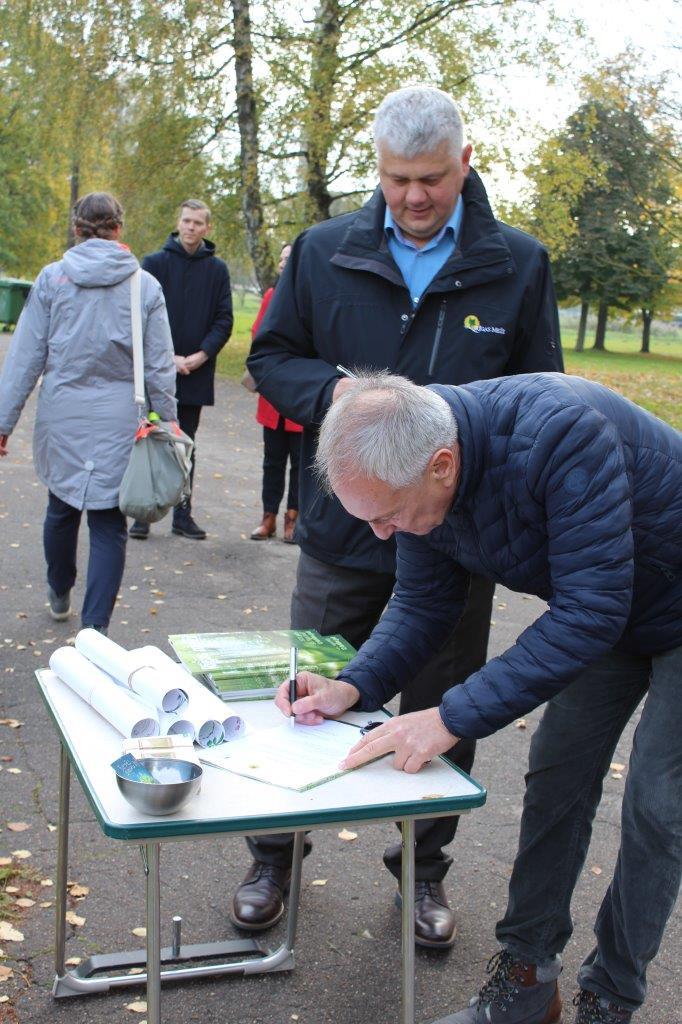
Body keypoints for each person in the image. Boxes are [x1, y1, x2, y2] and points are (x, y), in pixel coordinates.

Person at [241, 85, 564, 946]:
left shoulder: (519, 264)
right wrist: (337, 394)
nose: (413, 197)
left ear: (466, 160)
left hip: (461, 541)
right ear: (376, 170)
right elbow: (270, 358)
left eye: (429, 178)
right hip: (344, 533)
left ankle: (422, 874)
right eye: (395, 180)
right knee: (308, 694)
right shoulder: (320, 252)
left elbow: (544, 394)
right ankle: (272, 855)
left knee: (443, 707)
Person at [277, 371, 682, 1024]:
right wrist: (355, 685)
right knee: (557, 778)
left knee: (660, 806)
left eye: (386, 515)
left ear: (443, 465)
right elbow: (422, 601)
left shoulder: (560, 435)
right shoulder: (415, 461)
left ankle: (610, 996)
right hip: (614, 604)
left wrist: (450, 717)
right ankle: (525, 978)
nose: (382, 534)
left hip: (640, 598)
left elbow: (588, 612)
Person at [0, 192, 176, 634]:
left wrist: (4, 422)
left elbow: (25, 357)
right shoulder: (144, 285)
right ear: (119, 228)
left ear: (76, 228)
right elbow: (158, 365)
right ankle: (94, 630)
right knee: (108, 523)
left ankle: (59, 589)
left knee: (61, 506)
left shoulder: (52, 279)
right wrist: (169, 421)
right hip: (122, 417)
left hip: (63, 413)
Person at [129, 199, 233, 541]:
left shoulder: (217, 271)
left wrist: (201, 356)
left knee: (185, 443)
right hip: (158, 372)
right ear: (179, 223)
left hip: (196, 373)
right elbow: (138, 315)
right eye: (186, 221)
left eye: (198, 223)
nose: (191, 227)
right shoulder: (154, 265)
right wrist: (167, 357)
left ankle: (182, 515)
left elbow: (224, 319)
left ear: (207, 228)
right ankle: (143, 512)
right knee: (148, 438)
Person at [246, 243, 302, 544]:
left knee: (299, 462)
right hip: (273, 394)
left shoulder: (312, 295)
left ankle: (292, 520)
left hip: (301, 394)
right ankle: (267, 518)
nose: (284, 264)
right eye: (281, 259)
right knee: (273, 460)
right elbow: (258, 336)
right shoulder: (271, 295)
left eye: (289, 259)